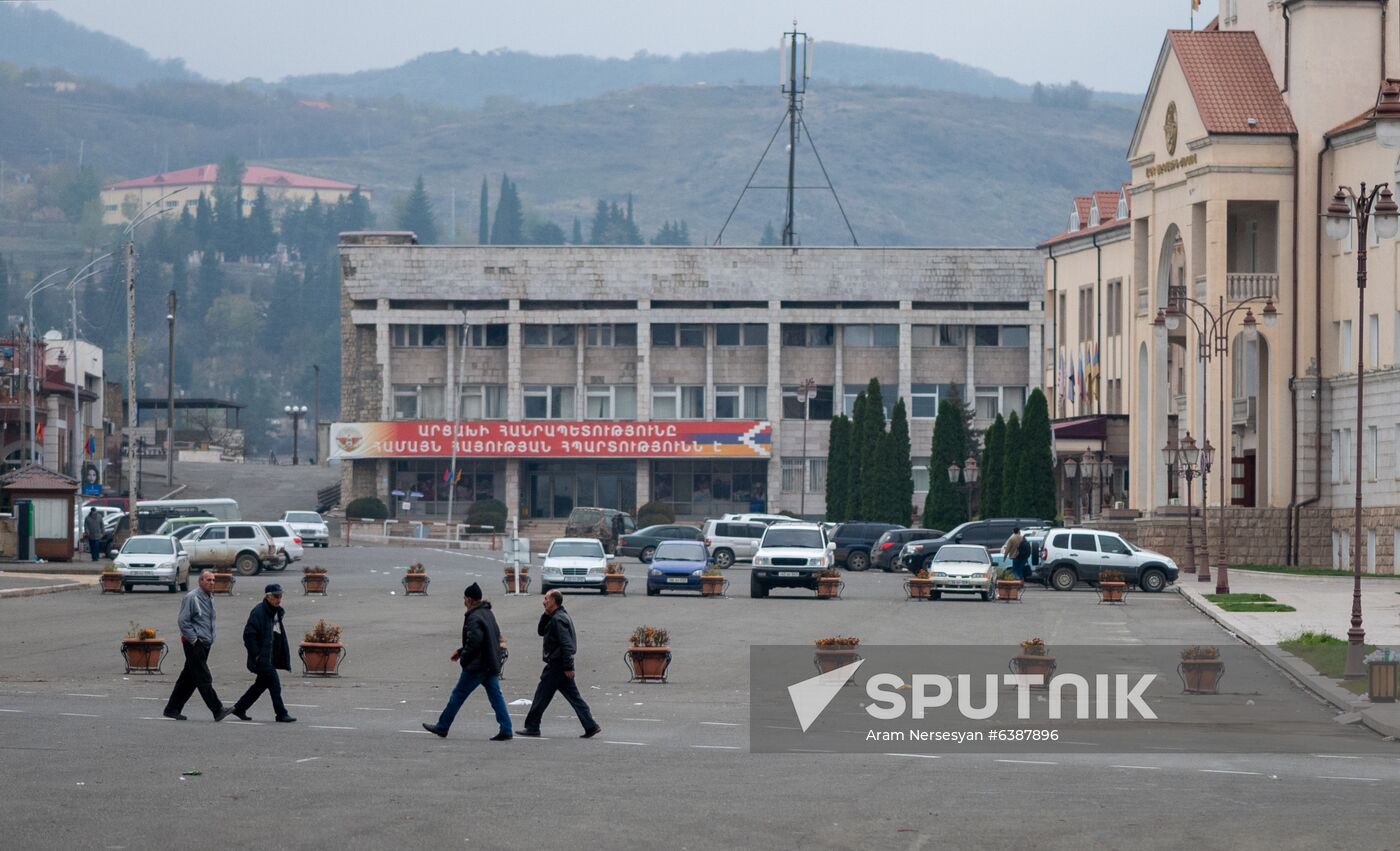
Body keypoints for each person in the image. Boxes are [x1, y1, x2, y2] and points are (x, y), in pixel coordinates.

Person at [422, 583, 512, 740]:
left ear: (469, 599)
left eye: (464, 598)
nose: (463, 600)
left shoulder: (474, 617)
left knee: (457, 695)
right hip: (490, 663)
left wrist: (464, 658)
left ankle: (442, 726)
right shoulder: (487, 613)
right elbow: (492, 637)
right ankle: (506, 728)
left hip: (477, 666)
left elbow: (474, 642)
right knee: (496, 697)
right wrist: (460, 651)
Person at [518, 589, 601, 739]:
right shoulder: (555, 616)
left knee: (541, 695)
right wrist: (545, 613)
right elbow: (541, 631)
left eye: (547, 599)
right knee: (574, 697)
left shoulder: (559, 619)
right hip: (560, 664)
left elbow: (566, 644)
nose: (544, 602)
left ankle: (532, 727)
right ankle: (591, 725)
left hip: (557, 665)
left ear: (554, 601)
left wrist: (569, 666)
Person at [164, 571, 234, 722]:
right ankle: (217, 709)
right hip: (194, 643)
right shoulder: (192, 597)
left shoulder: (209, 597)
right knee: (203, 676)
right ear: (200, 581)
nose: (211, 582)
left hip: (205, 643)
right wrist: (194, 640)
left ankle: (172, 709)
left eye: (213, 580)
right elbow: (183, 621)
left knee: (188, 679)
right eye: (208, 580)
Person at [230, 584, 295, 723]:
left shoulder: (275, 611)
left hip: (269, 657)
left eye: (281, 596)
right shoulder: (259, 612)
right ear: (268, 596)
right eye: (276, 596)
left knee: (260, 686)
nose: (279, 599)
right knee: (275, 684)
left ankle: (240, 708)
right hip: (261, 659)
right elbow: (248, 635)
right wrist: (256, 654)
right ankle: (281, 713)